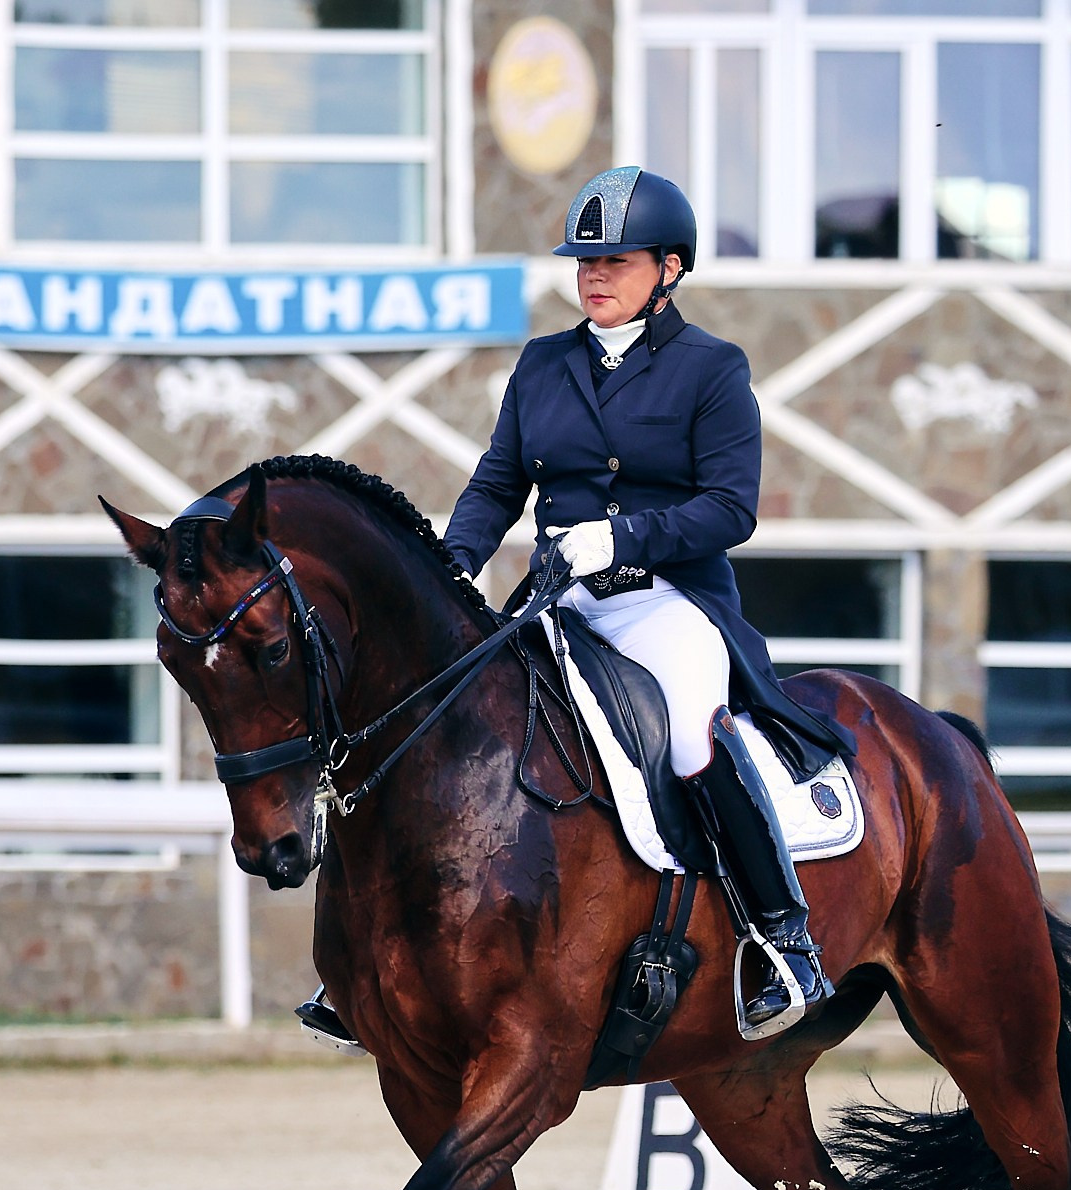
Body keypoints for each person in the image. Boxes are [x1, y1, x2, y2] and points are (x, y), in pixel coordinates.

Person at [300, 165, 853, 1049]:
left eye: (617, 261)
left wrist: (622, 539)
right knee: (444, 720)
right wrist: (453, 565)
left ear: (669, 269)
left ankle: (779, 935)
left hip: (666, 600)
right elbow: (496, 485)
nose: (594, 277)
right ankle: (378, 961)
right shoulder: (544, 362)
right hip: (559, 601)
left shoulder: (713, 369)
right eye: (584, 262)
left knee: (686, 735)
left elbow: (731, 507)